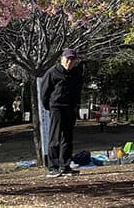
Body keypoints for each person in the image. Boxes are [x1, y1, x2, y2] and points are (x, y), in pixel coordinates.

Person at [41, 48, 85, 178]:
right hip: (56, 107)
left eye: (72, 59)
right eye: (67, 59)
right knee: (55, 137)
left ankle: (65, 166)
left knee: (67, 137)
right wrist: (49, 106)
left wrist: (76, 105)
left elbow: (78, 91)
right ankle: (53, 167)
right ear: (62, 59)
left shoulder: (76, 73)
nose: (69, 62)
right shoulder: (52, 72)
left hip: (70, 108)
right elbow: (44, 93)